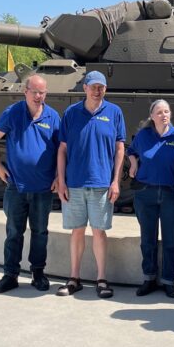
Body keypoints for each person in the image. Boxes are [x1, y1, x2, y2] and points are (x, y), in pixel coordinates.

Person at [55, 70, 126, 299]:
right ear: (84, 87)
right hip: (74, 183)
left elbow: (119, 149)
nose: (98, 90)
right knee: (76, 231)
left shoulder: (114, 112)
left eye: (101, 87)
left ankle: (101, 279)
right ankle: (74, 277)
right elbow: (62, 149)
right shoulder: (71, 113)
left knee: (99, 232)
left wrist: (115, 181)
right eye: (94, 86)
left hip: (101, 184)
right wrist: (62, 181)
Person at [0, 73, 60, 293]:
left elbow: (61, 150)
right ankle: (10, 274)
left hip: (43, 187)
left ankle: (38, 273)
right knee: (14, 232)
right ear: (25, 91)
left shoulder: (53, 117)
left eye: (42, 92)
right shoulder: (13, 113)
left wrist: (58, 175)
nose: (39, 96)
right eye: (35, 91)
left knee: (40, 232)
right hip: (16, 186)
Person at [128, 99, 174, 298]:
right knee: (147, 239)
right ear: (152, 116)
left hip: (170, 193)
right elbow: (131, 150)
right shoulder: (144, 136)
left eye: (167, 111)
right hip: (145, 193)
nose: (164, 115)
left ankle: (169, 280)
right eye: (159, 112)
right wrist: (133, 164)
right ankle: (149, 278)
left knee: (170, 240)